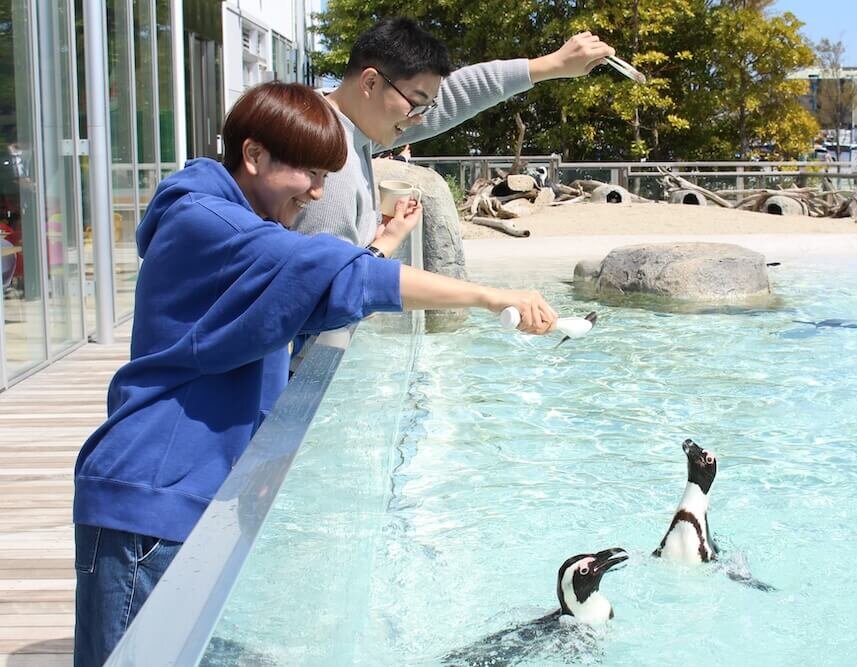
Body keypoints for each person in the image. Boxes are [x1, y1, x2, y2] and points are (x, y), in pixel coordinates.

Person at [72, 81, 557, 667]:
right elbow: (336, 275)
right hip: (151, 495)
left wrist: (380, 244)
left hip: (187, 487)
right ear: (253, 156)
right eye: (310, 173)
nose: (319, 192)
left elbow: (312, 290)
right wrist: (487, 295)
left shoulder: (227, 220)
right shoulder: (212, 224)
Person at [293, 18, 615, 255]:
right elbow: (330, 297)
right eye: (416, 103)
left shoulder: (338, 125)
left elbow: (454, 97)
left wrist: (552, 65)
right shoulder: (329, 163)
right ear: (371, 83)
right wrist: (385, 245)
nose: (419, 118)